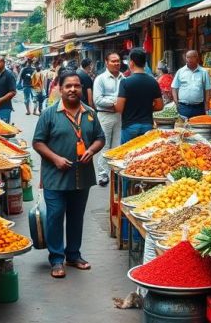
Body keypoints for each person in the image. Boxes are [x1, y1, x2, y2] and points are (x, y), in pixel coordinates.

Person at [32, 69, 105, 279]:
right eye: (68, 86)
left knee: (76, 217)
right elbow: (37, 142)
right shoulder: (49, 114)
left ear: (81, 88)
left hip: (81, 177)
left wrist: (92, 150)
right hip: (55, 177)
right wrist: (55, 159)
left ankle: (73, 255)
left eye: (76, 85)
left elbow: (100, 138)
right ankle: (56, 259)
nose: (72, 89)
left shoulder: (90, 113)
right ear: (60, 89)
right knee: (55, 217)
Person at [115, 48, 163, 143]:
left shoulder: (125, 82)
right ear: (145, 63)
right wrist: (146, 107)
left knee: (126, 155)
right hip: (147, 126)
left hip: (129, 126)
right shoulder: (153, 82)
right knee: (145, 155)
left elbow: (119, 108)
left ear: (131, 63)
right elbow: (159, 106)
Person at [92, 52, 123, 186]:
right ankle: (103, 174)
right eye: (113, 61)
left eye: (118, 61)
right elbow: (97, 100)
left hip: (119, 116)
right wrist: (116, 102)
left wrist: (116, 103)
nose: (116, 63)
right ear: (106, 62)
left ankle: (115, 172)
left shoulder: (124, 78)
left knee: (117, 145)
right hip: (104, 116)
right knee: (105, 145)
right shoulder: (100, 79)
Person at [172, 50, 211, 119]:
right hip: (183, 107)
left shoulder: (203, 72)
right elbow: (174, 87)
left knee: (198, 127)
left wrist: (207, 104)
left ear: (197, 58)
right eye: (187, 57)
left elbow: (207, 89)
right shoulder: (180, 71)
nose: (189, 59)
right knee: (183, 128)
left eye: (192, 57)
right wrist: (176, 102)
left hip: (199, 108)